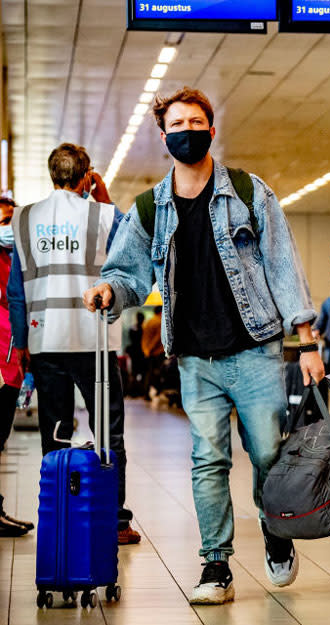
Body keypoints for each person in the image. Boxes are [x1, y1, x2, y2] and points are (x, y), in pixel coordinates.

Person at [83, 87, 325, 605]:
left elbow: (284, 267)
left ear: (212, 131)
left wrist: (307, 340)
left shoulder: (248, 192)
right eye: (177, 124)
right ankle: (216, 564)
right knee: (207, 460)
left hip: (255, 349)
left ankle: (277, 533)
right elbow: (127, 273)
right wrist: (110, 289)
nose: (187, 131)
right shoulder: (151, 207)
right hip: (195, 358)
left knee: (266, 453)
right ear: (164, 135)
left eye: (197, 122)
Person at [7, 143, 140, 545]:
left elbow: (16, 289)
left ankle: (60, 512)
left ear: (52, 175)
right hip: (93, 340)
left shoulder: (24, 218)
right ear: (85, 177)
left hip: (45, 339)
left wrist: (23, 340)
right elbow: (130, 249)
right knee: (109, 432)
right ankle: (115, 521)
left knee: (56, 431)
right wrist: (101, 195)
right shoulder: (102, 214)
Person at [0, 195, 33, 537]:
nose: (8, 228)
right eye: (2, 222)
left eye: (11, 220)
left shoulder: (15, 258)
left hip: (10, 361)